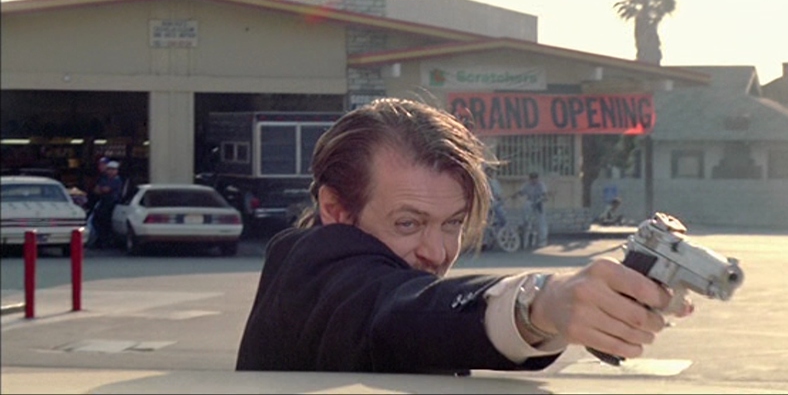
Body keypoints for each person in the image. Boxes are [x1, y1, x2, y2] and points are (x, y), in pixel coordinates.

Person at [236, 98, 692, 375]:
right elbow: (397, 307)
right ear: (336, 209)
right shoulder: (315, 270)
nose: (437, 252)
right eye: (408, 224)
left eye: (453, 223)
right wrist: (541, 304)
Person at [90, 160, 123, 248]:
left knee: (106, 222)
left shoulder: (117, 180)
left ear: (117, 171)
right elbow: (96, 190)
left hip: (112, 203)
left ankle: (106, 241)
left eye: (113, 169)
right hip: (104, 202)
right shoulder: (104, 179)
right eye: (109, 169)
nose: (111, 171)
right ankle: (101, 240)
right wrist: (102, 189)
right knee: (96, 220)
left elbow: (106, 189)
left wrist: (102, 189)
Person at [511, 171, 549, 247]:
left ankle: (542, 240)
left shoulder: (541, 185)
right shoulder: (527, 185)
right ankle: (522, 223)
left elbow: (545, 195)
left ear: (537, 178)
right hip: (530, 202)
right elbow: (521, 192)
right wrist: (515, 195)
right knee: (526, 208)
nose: (533, 180)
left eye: (535, 178)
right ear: (530, 179)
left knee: (541, 222)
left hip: (539, 203)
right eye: (532, 179)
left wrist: (543, 198)